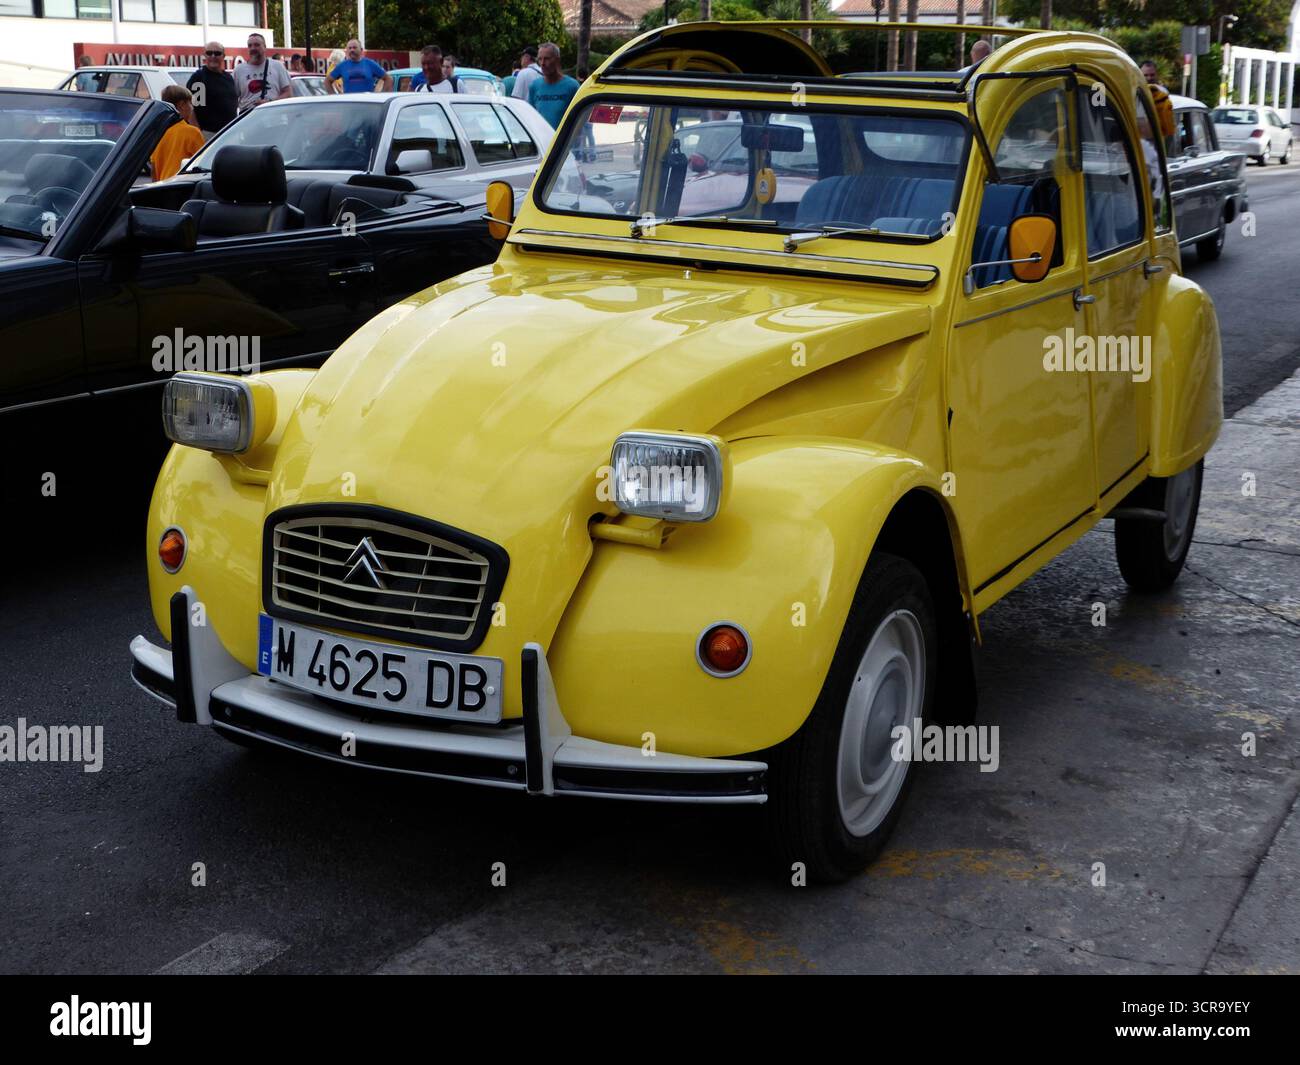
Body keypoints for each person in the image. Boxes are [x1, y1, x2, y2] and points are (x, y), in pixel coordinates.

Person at [150, 85, 206, 181]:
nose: (192, 108)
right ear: (182, 105)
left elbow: (154, 169)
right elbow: (203, 163)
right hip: (180, 187)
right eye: (190, 104)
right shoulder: (192, 132)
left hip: (160, 187)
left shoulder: (158, 133)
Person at [187, 41, 237, 140]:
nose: (213, 56)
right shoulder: (199, 78)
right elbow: (192, 109)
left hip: (230, 132)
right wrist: (198, 134)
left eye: (217, 53)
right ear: (205, 55)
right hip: (208, 135)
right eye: (209, 53)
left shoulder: (228, 78)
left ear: (223, 56)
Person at [234, 32, 292, 111]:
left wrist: (270, 103)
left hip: (273, 115)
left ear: (265, 47)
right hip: (248, 118)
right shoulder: (239, 70)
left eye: (257, 45)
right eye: (250, 46)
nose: (253, 48)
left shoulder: (277, 66)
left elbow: (288, 93)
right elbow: (233, 97)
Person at [528, 42, 580, 128]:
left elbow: (580, 119)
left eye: (547, 59)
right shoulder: (534, 86)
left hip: (563, 140)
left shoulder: (572, 86)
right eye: (540, 59)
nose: (543, 63)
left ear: (557, 59)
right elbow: (530, 117)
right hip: (541, 139)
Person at [328, 38, 392, 93]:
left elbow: (388, 79)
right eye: (349, 48)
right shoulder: (342, 66)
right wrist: (334, 97)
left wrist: (381, 96)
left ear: (361, 50)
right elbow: (327, 81)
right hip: (348, 105)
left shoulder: (370, 64)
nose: (352, 50)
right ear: (347, 50)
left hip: (367, 104)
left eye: (354, 47)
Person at [1140, 60, 1177, 141]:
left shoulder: (1162, 92)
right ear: (1140, 75)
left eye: (1152, 75)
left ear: (1157, 74)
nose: (1149, 78)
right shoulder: (1135, 91)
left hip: (1157, 137)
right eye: (1145, 75)